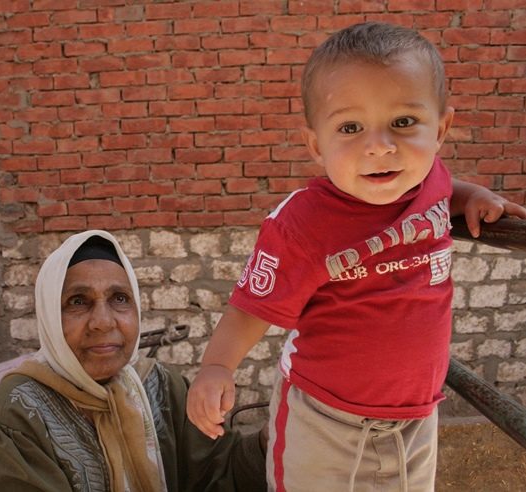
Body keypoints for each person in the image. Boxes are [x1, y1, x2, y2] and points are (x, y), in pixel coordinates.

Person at [186, 21, 526, 492]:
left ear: (441, 128)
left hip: (417, 418)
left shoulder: (432, 182)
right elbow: (250, 308)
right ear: (315, 144)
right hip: (326, 421)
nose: (380, 145)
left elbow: (444, 188)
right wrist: (216, 367)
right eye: (350, 127)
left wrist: (470, 197)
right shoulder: (302, 223)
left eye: (403, 123)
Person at [0, 230, 268, 492]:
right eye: (78, 301)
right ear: (49, 315)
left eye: (119, 299)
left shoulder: (160, 387)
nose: (102, 322)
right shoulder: (12, 417)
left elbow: (218, 473)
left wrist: (272, 439)